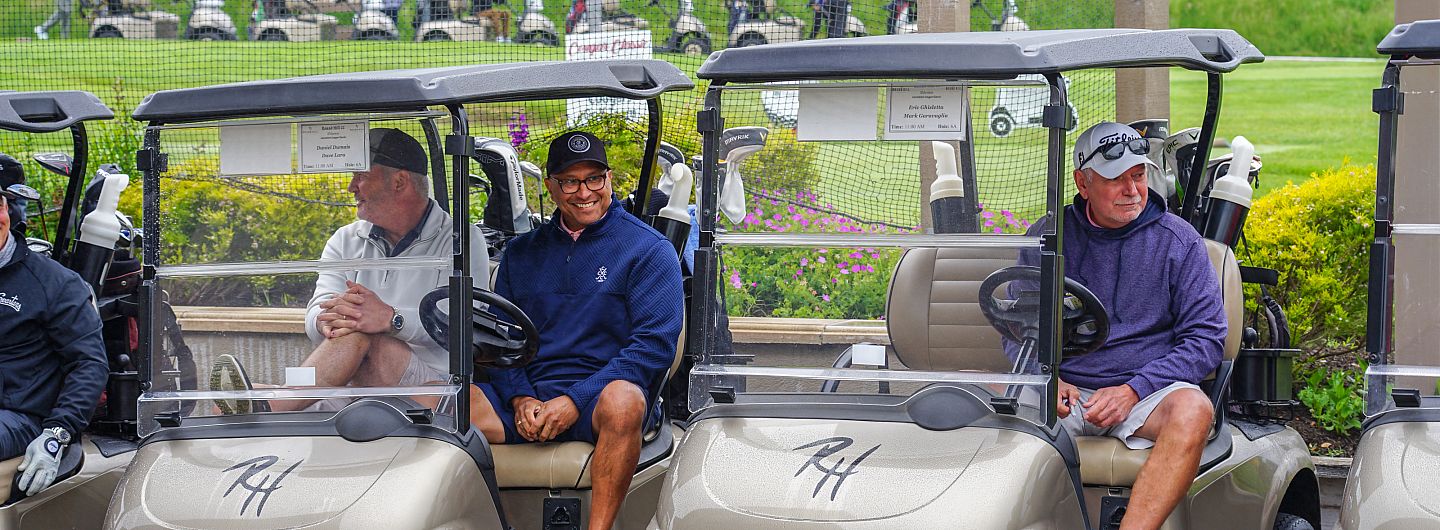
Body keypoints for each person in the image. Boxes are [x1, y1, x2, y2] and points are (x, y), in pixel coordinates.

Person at [1013, 121, 1227, 530]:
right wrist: (1046, 378)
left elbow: (1206, 340)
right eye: (1116, 179)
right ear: (1083, 183)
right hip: (1063, 391)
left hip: (1147, 395)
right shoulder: (1048, 238)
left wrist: (1134, 390)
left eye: (1138, 175)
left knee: (1193, 410)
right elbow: (1016, 326)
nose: (1132, 190)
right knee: (976, 402)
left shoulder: (1178, 241)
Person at [470, 131, 683, 530]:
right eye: (570, 181)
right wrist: (520, 398)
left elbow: (652, 349)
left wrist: (572, 401)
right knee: (443, 401)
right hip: (529, 399)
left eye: (594, 179)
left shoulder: (648, 250)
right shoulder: (521, 253)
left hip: (598, 399)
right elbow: (503, 342)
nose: (584, 192)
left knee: (624, 402)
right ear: (551, 186)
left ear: (609, 179)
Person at [218, 128, 490, 413]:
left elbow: (465, 327)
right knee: (223, 409)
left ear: (399, 181)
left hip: (431, 388)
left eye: (360, 175)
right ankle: (276, 401)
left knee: (363, 334)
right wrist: (327, 320)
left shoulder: (461, 241)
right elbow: (316, 310)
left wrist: (392, 320)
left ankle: (275, 403)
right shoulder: (345, 239)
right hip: (350, 379)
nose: (351, 187)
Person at [0, 175, 107, 497]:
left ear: (7, 209)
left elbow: (88, 364)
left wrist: (58, 432)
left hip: (19, 416)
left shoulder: (54, 283)